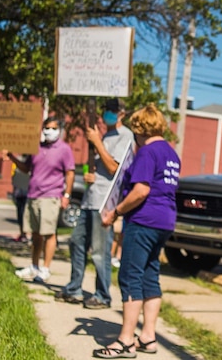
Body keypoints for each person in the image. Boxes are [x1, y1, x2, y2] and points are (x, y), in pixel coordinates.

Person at [95, 104, 180, 358]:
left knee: (130, 276)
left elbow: (141, 190)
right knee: (150, 275)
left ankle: (125, 341)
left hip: (143, 221)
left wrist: (116, 212)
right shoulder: (171, 153)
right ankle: (148, 336)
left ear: (139, 128)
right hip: (164, 221)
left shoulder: (147, 152)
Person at [56, 97, 134, 309]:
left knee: (100, 251)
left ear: (122, 114)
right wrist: (89, 175)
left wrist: (97, 142)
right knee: (76, 242)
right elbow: (100, 168)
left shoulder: (125, 136)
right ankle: (74, 288)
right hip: (90, 200)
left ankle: (102, 295)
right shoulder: (106, 134)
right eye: (106, 110)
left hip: (104, 202)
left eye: (112, 110)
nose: (108, 113)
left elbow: (114, 168)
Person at [8, 116, 76, 283]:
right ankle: (34, 266)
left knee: (49, 233)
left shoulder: (64, 149)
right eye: (47, 128)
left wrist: (66, 195)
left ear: (59, 130)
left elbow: (70, 173)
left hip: (51, 196)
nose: (49, 131)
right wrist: (11, 156)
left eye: (53, 128)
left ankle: (45, 268)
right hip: (33, 195)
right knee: (36, 234)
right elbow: (26, 168)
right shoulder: (36, 147)